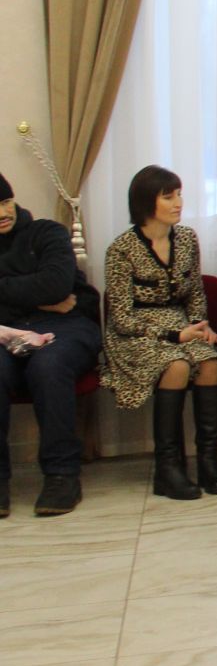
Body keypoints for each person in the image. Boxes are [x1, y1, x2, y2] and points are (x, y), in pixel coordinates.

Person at [101, 165, 217, 500]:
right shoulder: (121, 249)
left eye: (179, 194)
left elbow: (196, 293)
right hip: (136, 334)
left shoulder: (186, 239)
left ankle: (208, 461)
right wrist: (173, 337)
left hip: (180, 323)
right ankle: (168, 468)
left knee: (211, 362)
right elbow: (121, 318)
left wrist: (201, 327)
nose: (178, 202)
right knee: (177, 365)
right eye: (168, 196)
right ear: (146, 203)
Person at [0, 169, 102, 517]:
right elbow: (48, 289)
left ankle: (62, 475)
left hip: (66, 324)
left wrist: (11, 289)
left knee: (48, 365)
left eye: (5, 201)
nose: (2, 212)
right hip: (5, 331)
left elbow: (57, 285)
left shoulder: (47, 232)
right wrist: (34, 292)